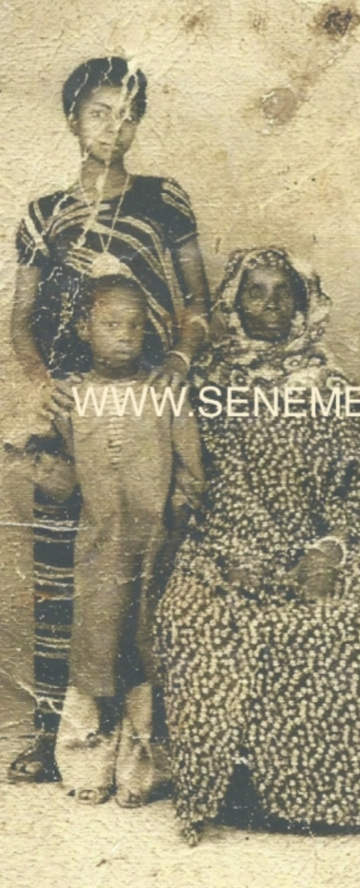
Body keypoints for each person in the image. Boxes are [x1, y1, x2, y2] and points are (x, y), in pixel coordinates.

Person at [156, 247, 360, 845]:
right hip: (228, 538)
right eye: (254, 292)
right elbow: (218, 476)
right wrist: (248, 553)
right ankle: (240, 791)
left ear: (302, 300)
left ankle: (332, 798)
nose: (268, 305)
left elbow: (352, 476)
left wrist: (330, 549)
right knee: (198, 612)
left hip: (324, 537)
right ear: (234, 301)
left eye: (281, 292)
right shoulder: (211, 381)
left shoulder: (331, 381)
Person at [9, 56, 209, 783]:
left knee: (149, 571)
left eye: (126, 113)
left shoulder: (163, 201)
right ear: (71, 119)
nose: (112, 127)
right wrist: (45, 388)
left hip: (150, 408)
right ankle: (51, 736)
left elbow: (197, 302)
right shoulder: (40, 214)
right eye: (99, 112)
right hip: (74, 412)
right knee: (66, 569)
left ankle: (148, 747)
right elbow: (21, 321)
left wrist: (181, 361)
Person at [29, 276, 204, 806]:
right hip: (99, 550)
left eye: (134, 325)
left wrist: (174, 522)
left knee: (146, 654)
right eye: (110, 325)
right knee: (96, 653)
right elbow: (58, 478)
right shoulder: (70, 398)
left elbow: (191, 473)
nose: (124, 336)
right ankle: (88, 767)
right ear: (84, 329)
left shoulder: (164, 393)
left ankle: (141, 772)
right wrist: (34, 450)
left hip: (156, 549)